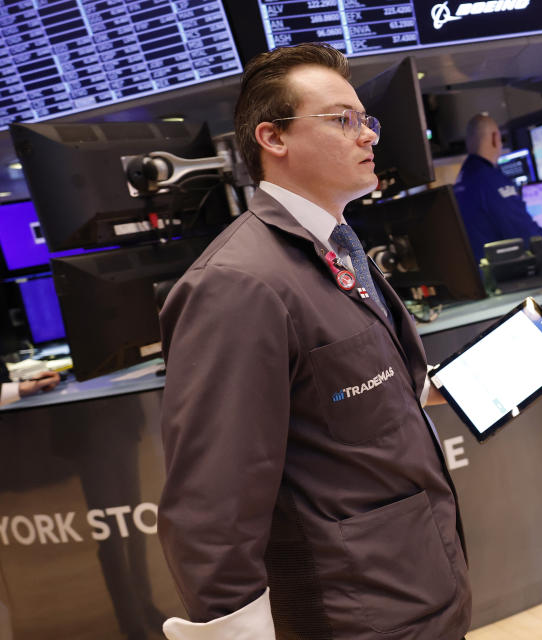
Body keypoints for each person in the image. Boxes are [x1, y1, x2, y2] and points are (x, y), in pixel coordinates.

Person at [157, 43, 470, 640]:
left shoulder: (336, 247)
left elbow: (337, 394)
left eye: (366, 120)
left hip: (421, 578)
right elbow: (212, 507)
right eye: (342, 120)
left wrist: (432, 389)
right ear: (273, 138)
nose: (368, 136)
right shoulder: (237, 285)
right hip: (357, 612)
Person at [453, 113, 542, 263]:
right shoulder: (490, 181)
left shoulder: (462, 180)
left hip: (477, 276)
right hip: (498, 278)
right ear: (495, 138)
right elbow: (527, 236)